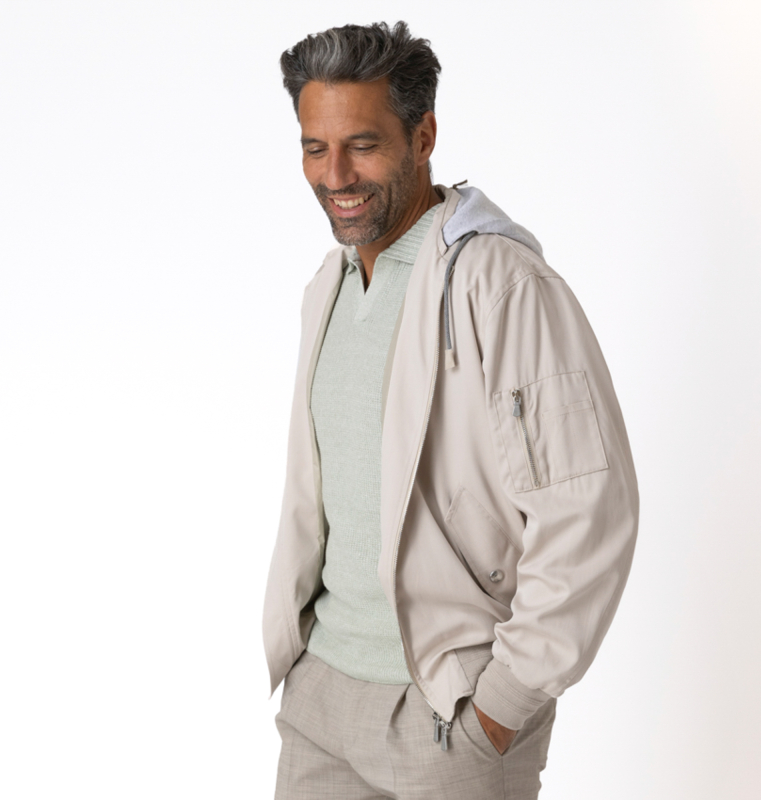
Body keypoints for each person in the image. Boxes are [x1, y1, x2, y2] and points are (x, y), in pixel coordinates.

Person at [262, 20, 639, 799]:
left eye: (362, 145)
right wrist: (297, 664)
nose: (336, 174)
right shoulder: (328, 287)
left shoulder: (502, 286)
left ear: (423, 136)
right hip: (320, 700)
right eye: (314, 148)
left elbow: (587, 509)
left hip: (445, 712)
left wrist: (499, 707)